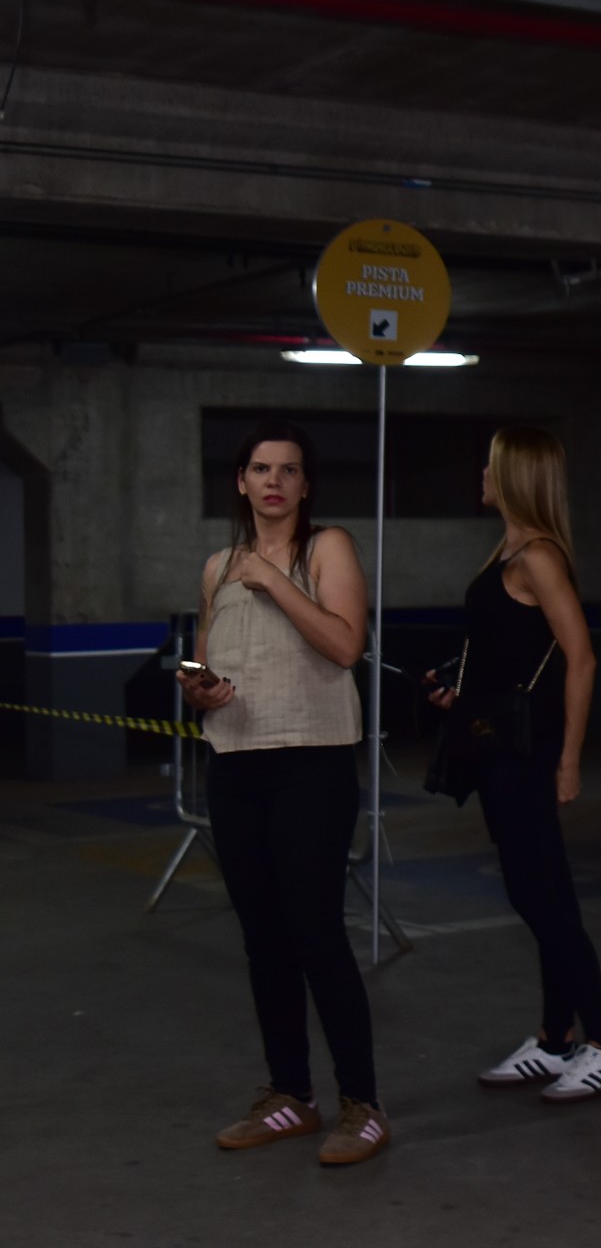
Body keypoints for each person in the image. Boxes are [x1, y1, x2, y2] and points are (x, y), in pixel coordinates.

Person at [176, 421, 388, 1166]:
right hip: (235, 764)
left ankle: (362, 1103)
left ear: (305, 485)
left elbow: (345, 645)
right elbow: (208, 657)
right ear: (241, 482)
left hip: (311, 765)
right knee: (262, 936)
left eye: (289, 470)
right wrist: (200, 690)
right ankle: (291, 1094)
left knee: (315, 932)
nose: (274, 481)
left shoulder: (326, 549)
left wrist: (273, 581)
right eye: (261, 469)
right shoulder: (217, 567)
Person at [430, 427, 601, 1102]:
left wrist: (569, 760)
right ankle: (555, 1038)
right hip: (498, 748)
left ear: (514, 477)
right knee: (546, 894)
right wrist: (459, 691)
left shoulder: (538, 557)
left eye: (492, 467)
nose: (482, 476)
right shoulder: (509, 550)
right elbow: (509, 654)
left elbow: (582, 658)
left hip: (526, 756)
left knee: (539, 898)